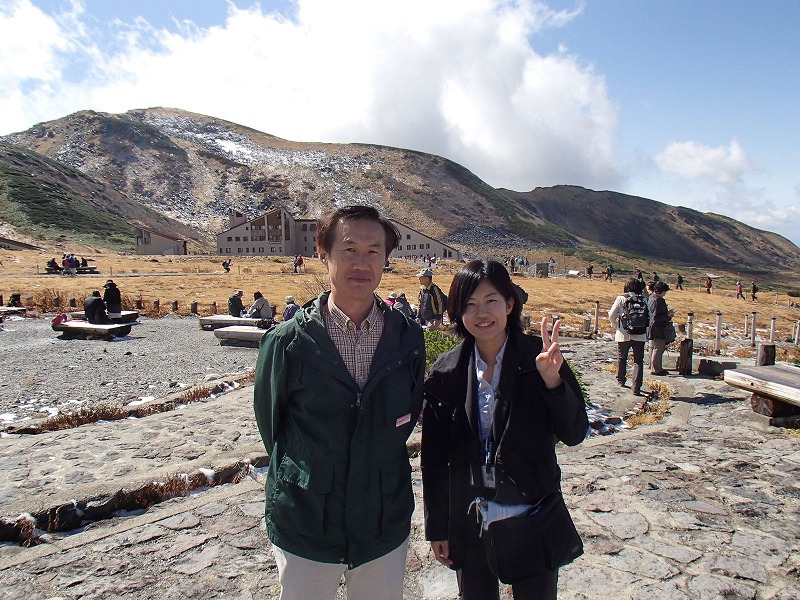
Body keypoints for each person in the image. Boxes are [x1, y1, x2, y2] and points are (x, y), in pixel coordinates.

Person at [253, 205, 425, 600]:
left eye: (373, 251)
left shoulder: (407, 340)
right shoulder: (288, 342)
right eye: (349, 249)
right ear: (323, 253)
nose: (361, 264)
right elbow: (272, 424)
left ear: (386, 260)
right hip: (307, 519)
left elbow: (408, 414)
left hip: (381, 518)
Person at [422, 259, 588, 600]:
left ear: (509, 304)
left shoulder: (538, 359)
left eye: (491, 301)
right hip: (470, 519)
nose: (481, 313)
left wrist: (553, 383)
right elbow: (434, 458)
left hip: (532, 513)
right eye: (469, 305)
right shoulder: (446, 371)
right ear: (457, 313)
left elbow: (574, 433)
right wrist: (437, 526)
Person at [608, 279, 649, 396]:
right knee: (638, 361)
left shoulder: (621, 298)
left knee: (622, 357)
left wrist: (616, 326)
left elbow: (612, 314)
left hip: (623, 333)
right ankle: (636, 387)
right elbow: (650, 317)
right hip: (640, 334)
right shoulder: (644, 300)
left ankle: (621, 380)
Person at [647, 281, 674, 376]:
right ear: (660, 291)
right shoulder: (658, 300)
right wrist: (668, 315)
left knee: (653, 347)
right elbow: (656, 317)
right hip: (658, 327)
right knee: (659, 348)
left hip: (652, 327)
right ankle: (656, 368)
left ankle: (653, 366)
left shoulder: (651, 298)